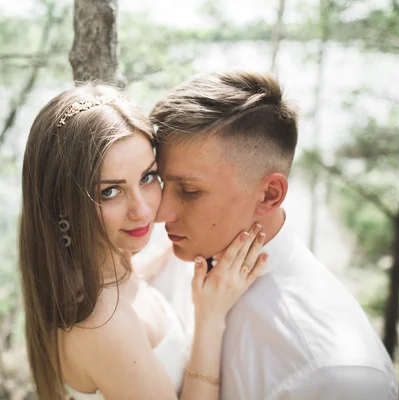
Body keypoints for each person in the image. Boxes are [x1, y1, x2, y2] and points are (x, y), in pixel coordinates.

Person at [150, 70, 399, 400]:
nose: (159, 214)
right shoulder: (172, 255)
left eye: (190, 191)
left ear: (268, 195)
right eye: (161, 183)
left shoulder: (331, 370)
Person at [19, 84, 268, 399]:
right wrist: (211, 317)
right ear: (62, 205)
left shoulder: (100, 273)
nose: (144, 209)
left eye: (148, 177)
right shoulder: (105, 327)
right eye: (109, 191)